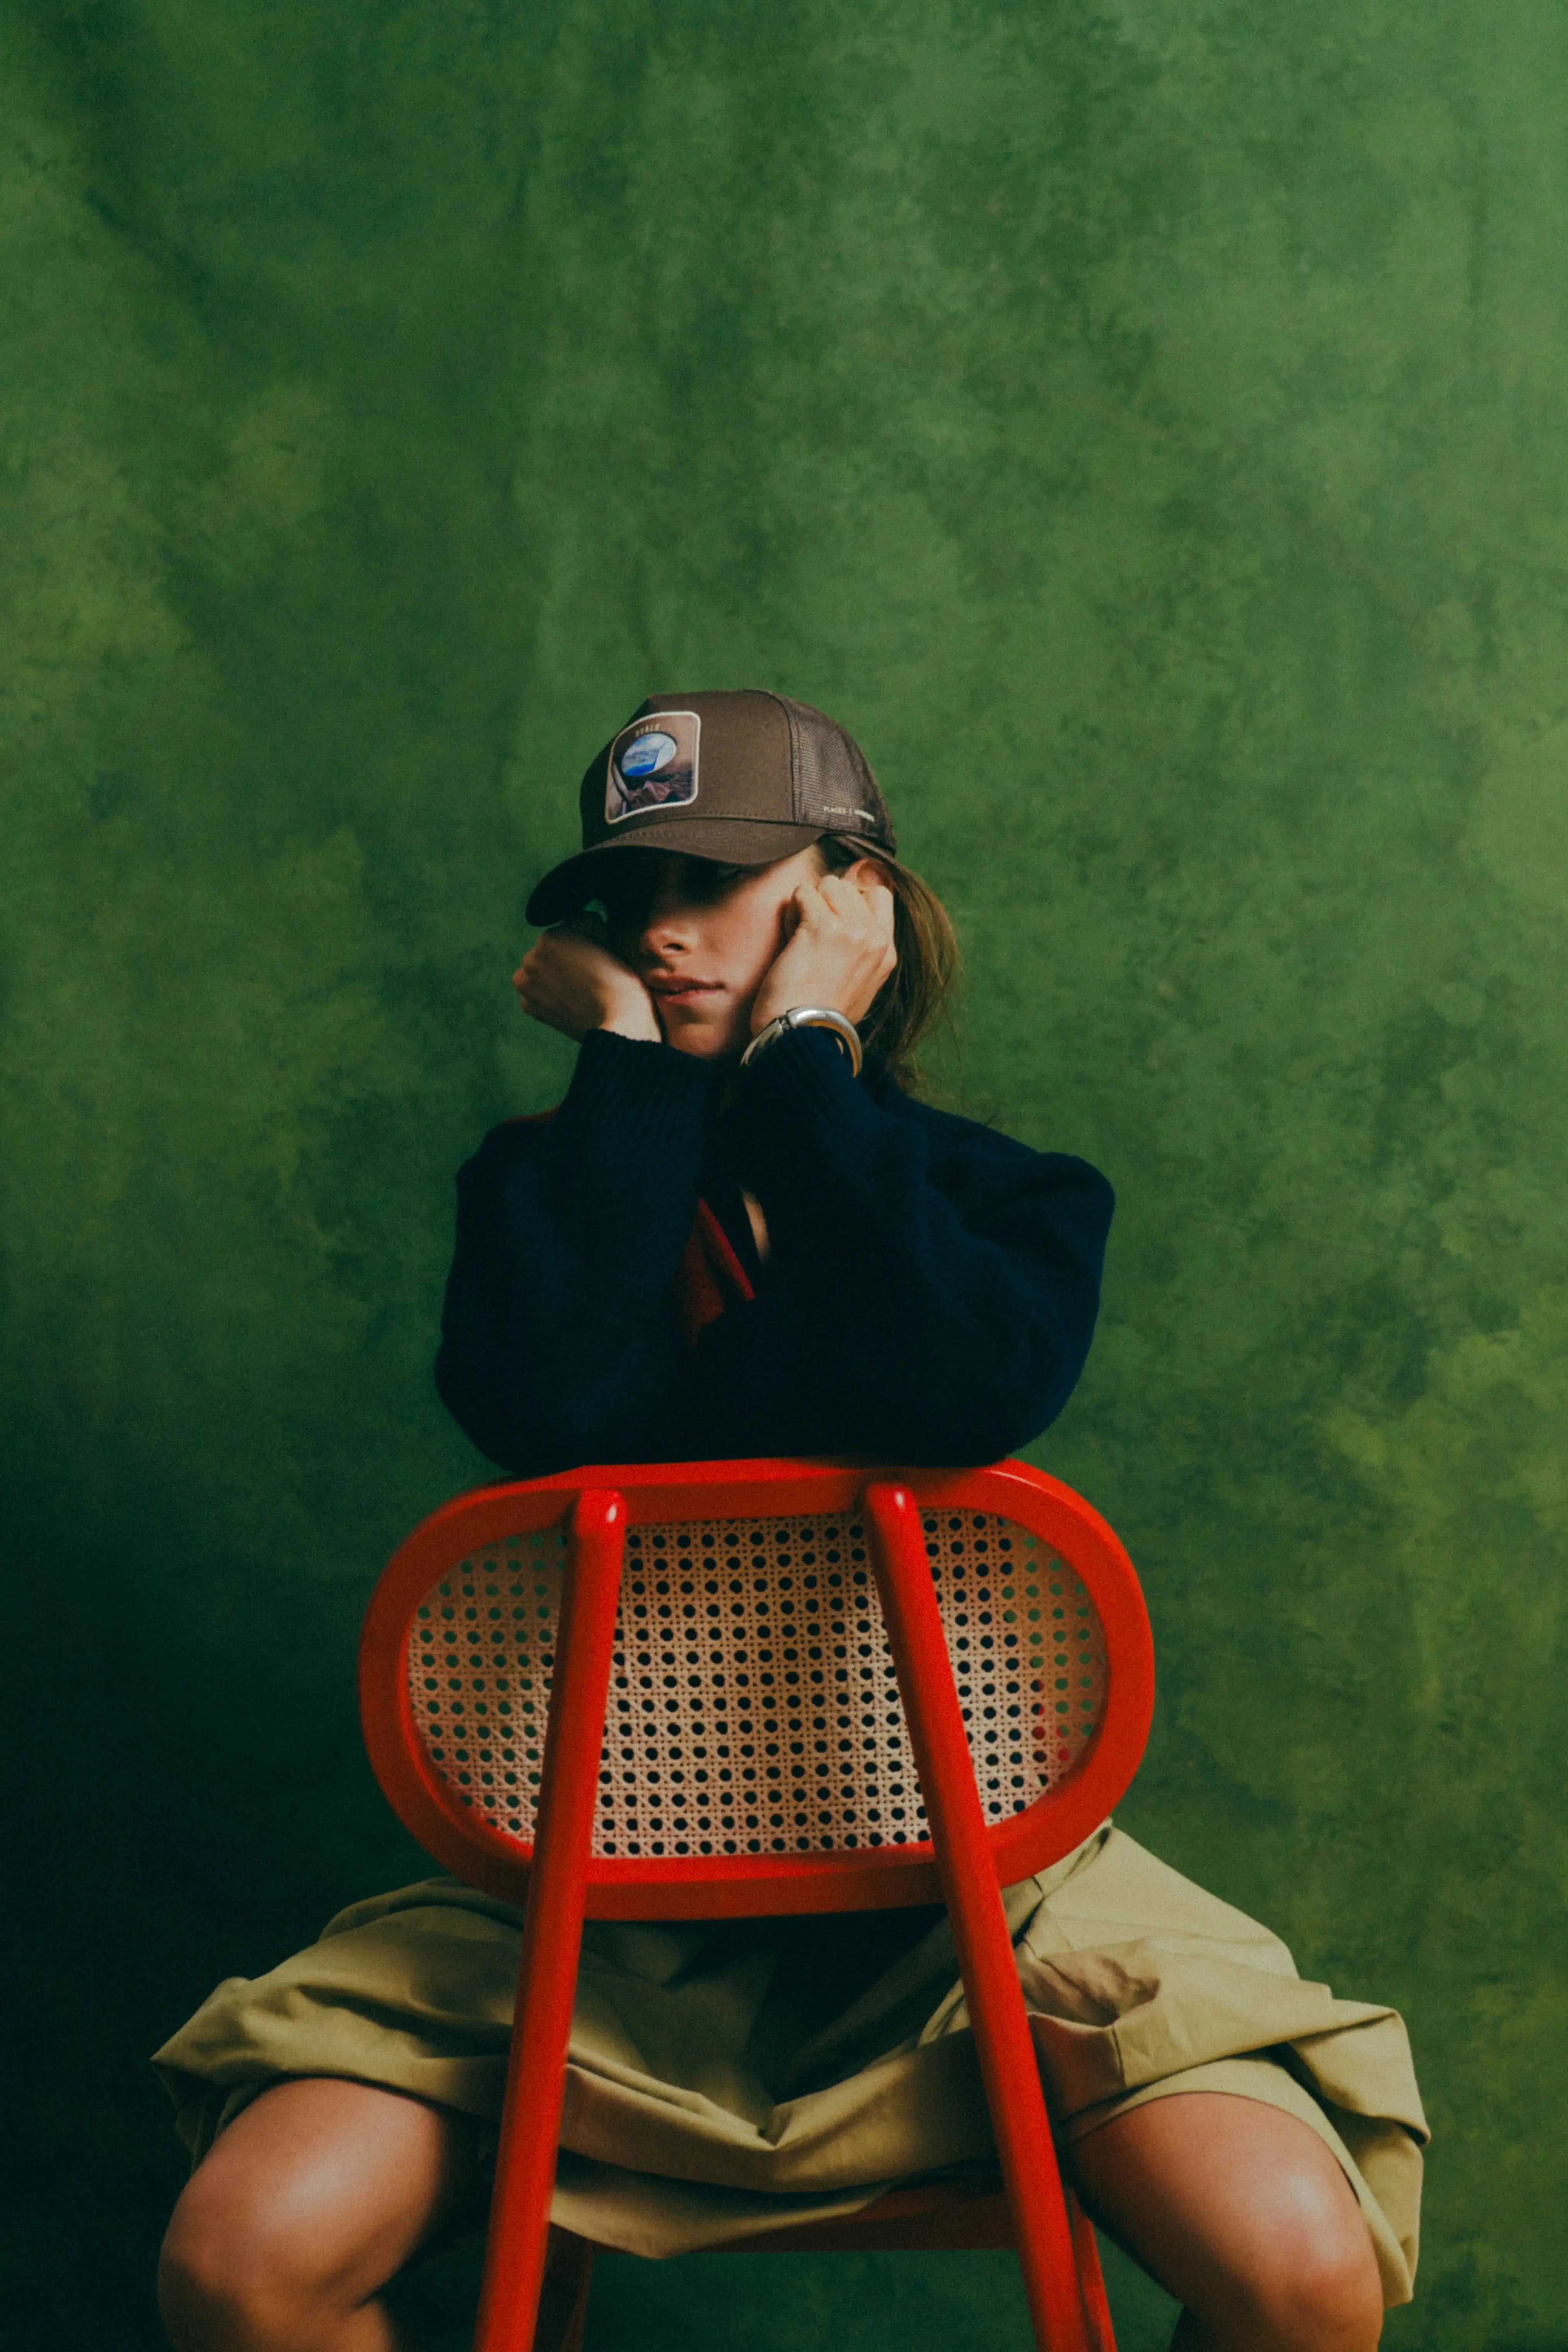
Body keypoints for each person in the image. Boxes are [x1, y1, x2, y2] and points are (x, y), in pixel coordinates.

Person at [155, 692, 1426, 2352]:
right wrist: (625, 1075)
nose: (662, 932)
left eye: (714, 879)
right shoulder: (549, 1189)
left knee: (1301, 2273)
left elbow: (956, 1385)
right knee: (241, 2261)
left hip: (976, 1915)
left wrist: (808, 1060)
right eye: (629, 898)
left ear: (850, 901)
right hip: (592, 1918)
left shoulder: (1010, 1202)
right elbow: (550, 1410)